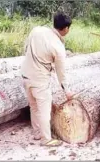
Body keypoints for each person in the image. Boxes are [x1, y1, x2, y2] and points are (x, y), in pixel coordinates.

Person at [21, 11, 72, 147]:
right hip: (40, 81)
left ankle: (37, 133)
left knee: (33, 106)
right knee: (44, 110)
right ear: (66, 28)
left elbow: (26, 47)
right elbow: (61, 73)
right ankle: (46, 139)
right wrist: (67, 91)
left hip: (26, 76)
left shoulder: (37, 30)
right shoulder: (58, 47)